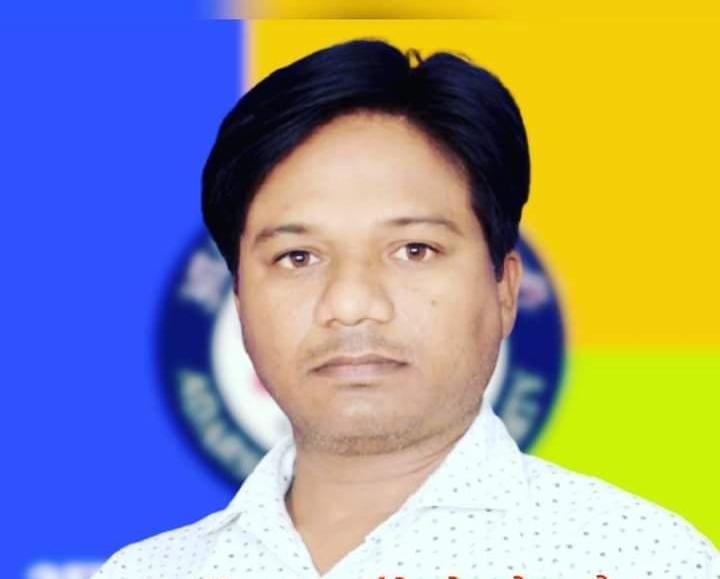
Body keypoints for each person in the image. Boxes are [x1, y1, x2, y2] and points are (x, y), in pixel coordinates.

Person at [93, 38, 719, 579]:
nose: (351, 305)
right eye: (298, 257)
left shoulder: (640, 559)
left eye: (414, 250)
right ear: (239, 300)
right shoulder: (148, 571)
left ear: (505, 289)